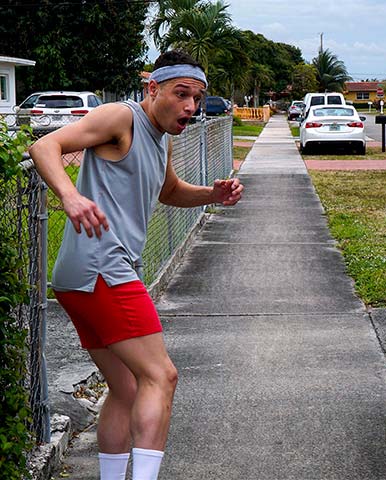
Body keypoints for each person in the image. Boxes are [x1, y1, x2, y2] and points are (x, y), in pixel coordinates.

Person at [30, 50, 243, 480]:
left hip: (82, 275)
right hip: (103, 268)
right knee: (161, 376)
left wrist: (212, 195)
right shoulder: (121, 117)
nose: (190, 106)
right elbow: (44, 145)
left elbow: (169, 190)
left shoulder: (162, 138)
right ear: (153, 89)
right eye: (181, 94)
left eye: (197, 98)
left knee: (127, 388)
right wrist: (70, 196)